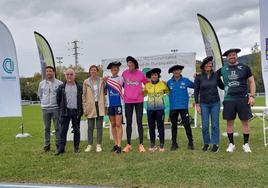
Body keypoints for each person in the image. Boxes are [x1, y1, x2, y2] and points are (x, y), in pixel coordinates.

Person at [218, 48, 256, 153]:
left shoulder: (245, 67)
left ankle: (246, 144)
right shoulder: (222, 69)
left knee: (245, 123)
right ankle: (231, 144)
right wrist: (198, 74)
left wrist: (252, 96)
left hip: (243, 99)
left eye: (233, 55)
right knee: (229, 123)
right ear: (227, 57)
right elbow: (212, 77)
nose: (232, 57)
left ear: (236, 55)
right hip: (229, 99)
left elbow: (252, 82)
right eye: (229, 55)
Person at [194, 56, 224, 152]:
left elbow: (222, 86)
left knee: (215, 125)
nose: (209, 65)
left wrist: (228, 82)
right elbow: (196, 91)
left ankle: (215, 144)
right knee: (205, 125)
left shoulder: (216, 75)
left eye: (210, 63)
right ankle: (206, 143)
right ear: (203, 66)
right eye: (207, 64)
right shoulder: (198, 77)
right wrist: (197, 104)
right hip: (204, 104)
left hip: (215, 103)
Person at [122, 56, 149, 153]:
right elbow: (120, 84)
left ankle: (141, 144)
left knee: (139, 122)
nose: (130, 64)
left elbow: (147, 84)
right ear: (127, 64)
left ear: (135, 64)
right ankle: (128, 144)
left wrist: (144, 93)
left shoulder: (140, 73)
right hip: (128, 101)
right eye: (129, 62)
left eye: (132, 63)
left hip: (139, 101)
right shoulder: (124, 73)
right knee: (128, 123)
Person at [55, 68, 83, 155]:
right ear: (65, 76)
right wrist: (62, 109)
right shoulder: (61, 87)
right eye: (67, 74)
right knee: (63, 131)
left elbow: (82, 99)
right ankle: (61, 149)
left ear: (75, 75)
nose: (69, 76)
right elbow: (58, 100)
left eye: (71, 74)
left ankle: (76, 148)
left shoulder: (79, 87)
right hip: (65, 112)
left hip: (76, 112)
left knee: (76, 130)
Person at [167, 65, 195, 151]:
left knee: (187, 125)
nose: (176, 72)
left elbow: (195, 86)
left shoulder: (185, 80)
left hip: (183, 107)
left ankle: (190, 142)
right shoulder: (169, 82)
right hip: (173, 107)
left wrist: (197, 77)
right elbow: (166, 92)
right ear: (172, 72)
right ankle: (174, 143)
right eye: (175, 70)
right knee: (174, 126)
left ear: (180, 71)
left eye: (178, 70)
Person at [38, 66, 62, 152]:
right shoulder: (41, 84)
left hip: (55, 108)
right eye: (47, 71)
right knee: (46, 128)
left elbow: (61, 97)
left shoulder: (59, 83)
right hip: (45, 109)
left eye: (50, 71)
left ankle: (58, 145)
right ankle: (46, 146)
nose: (48, 73)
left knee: (57, 128)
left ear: (54, 72)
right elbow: (40, 95)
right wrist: (44, 103)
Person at [144, 68, 169, 152]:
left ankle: (161, 144)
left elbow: (168, 92)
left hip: (160, 109)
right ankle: (152, 144)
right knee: (151, 127)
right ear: (150, 77)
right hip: (150, 109)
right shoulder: (147, 85)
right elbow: (143, 94)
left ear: (158, 76)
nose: (154, 76)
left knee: (160, 126)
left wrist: (167, 85)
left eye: (155, 75)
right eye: (152, 75)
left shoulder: (163, 84)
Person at [83, 65, 106, 153]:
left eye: (95, 70)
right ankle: (89, 145)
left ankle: (99, 145)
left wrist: (105, 105)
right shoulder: (86, 82)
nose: (93, 71)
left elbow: (105, 92)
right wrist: (84, 107)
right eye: (91, 70)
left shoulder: (101, 80)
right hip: (90, 106)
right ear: (89, 72)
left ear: (97, 71)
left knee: (99, 126)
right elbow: (84, 95)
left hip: (100, 105)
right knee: (90, 127)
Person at [105, 61, 124, 154]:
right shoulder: (107, 80)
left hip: (119, 104)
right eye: (112, 68)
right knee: (112, 125)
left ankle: (120, 145)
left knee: (118, 124)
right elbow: (104, 92)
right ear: (110, 70)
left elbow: (128, 88)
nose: (114, 69)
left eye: (116, 68)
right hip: (110, 105)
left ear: (118, 69)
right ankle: (116, 144)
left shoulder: (121, 79)